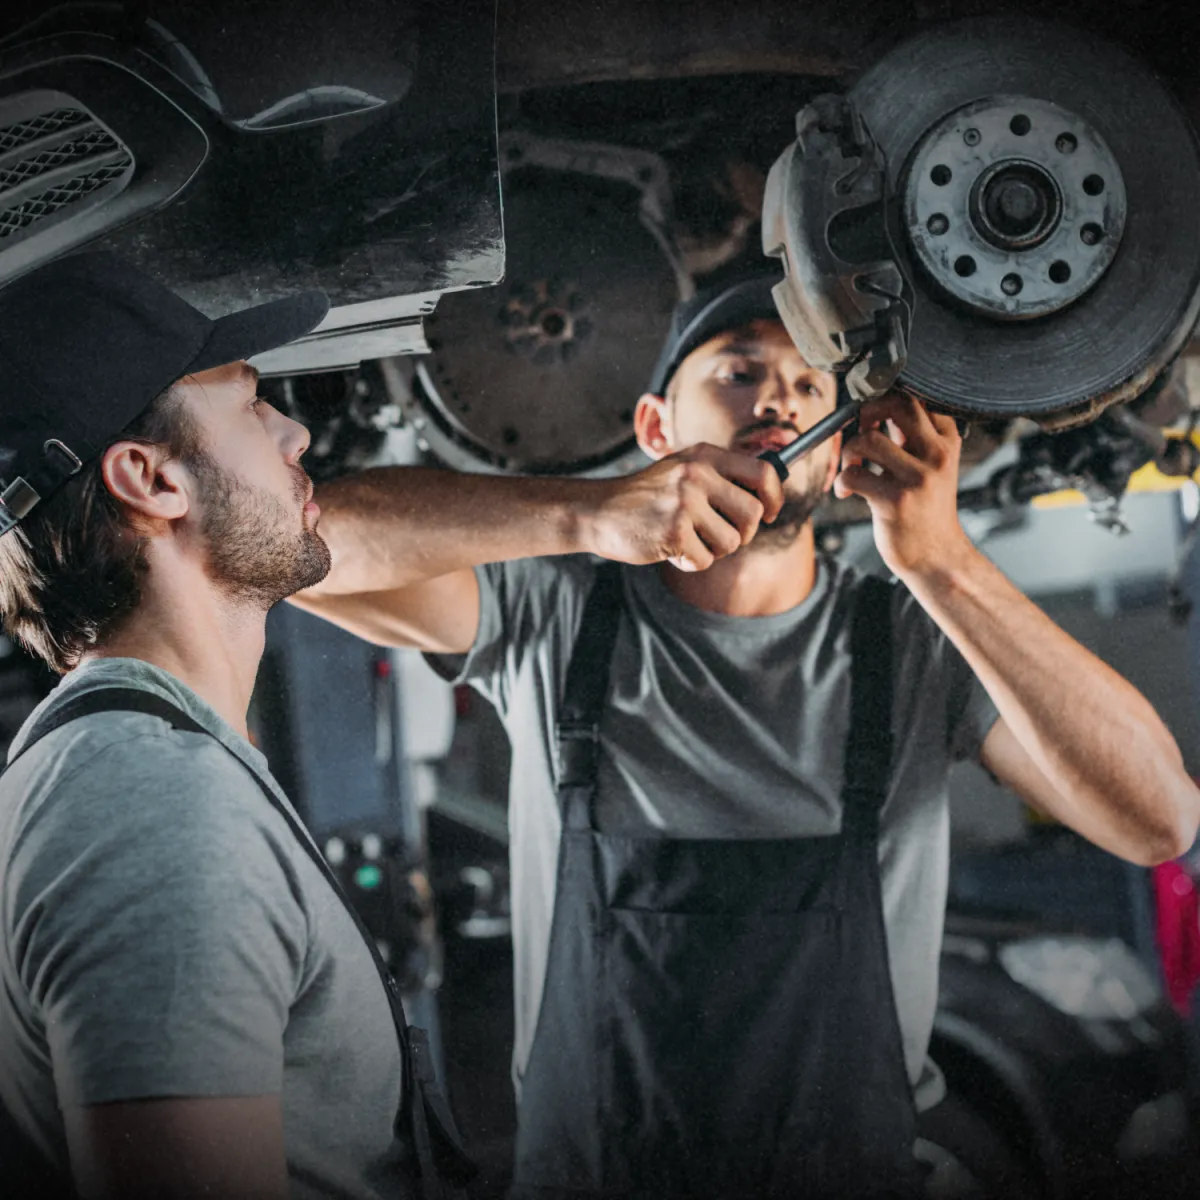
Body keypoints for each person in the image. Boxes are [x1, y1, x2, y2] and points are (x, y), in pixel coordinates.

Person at [294, 270, 1200, 1198]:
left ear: (839, 443)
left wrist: (944, 561)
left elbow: (1158, 820)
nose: (778, 396)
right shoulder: (552, 617)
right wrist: (588, 511)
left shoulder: (913, 646)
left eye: (813, 385)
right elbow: (300, 545)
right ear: (655, 430)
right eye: (736, 372)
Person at [0, 253, 469, 1200]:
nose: (296, 432)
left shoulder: (132, 765)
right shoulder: (151, 812)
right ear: (151, 479)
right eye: (251, 401)